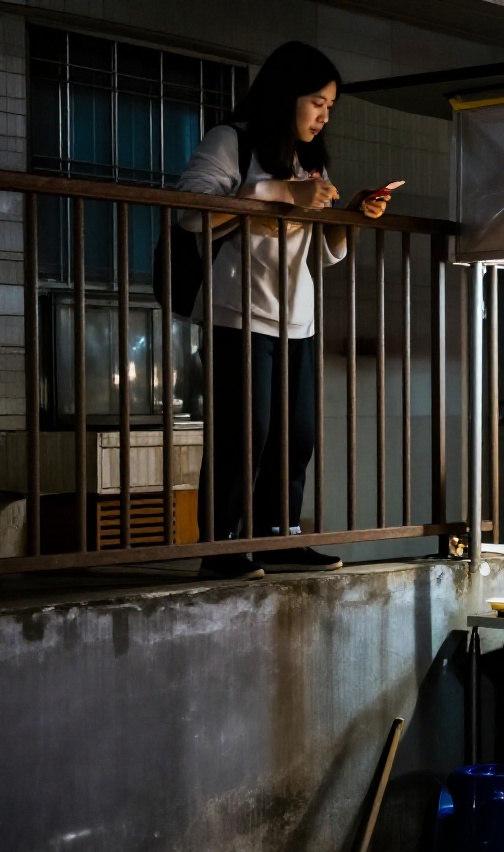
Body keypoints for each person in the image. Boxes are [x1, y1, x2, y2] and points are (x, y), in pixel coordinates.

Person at [179, 41, 389, 580]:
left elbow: (323, 250)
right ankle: (221, 548)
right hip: (236, 312)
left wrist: (350, 216)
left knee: (297, 436)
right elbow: (190, 213)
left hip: (297, 317)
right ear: (284, 95)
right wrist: (280, 192)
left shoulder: (307, 158)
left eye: (330, 107)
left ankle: (279, 538)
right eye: (317, 102)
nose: (324, 116)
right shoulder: (231, 140)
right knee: (243, 434)